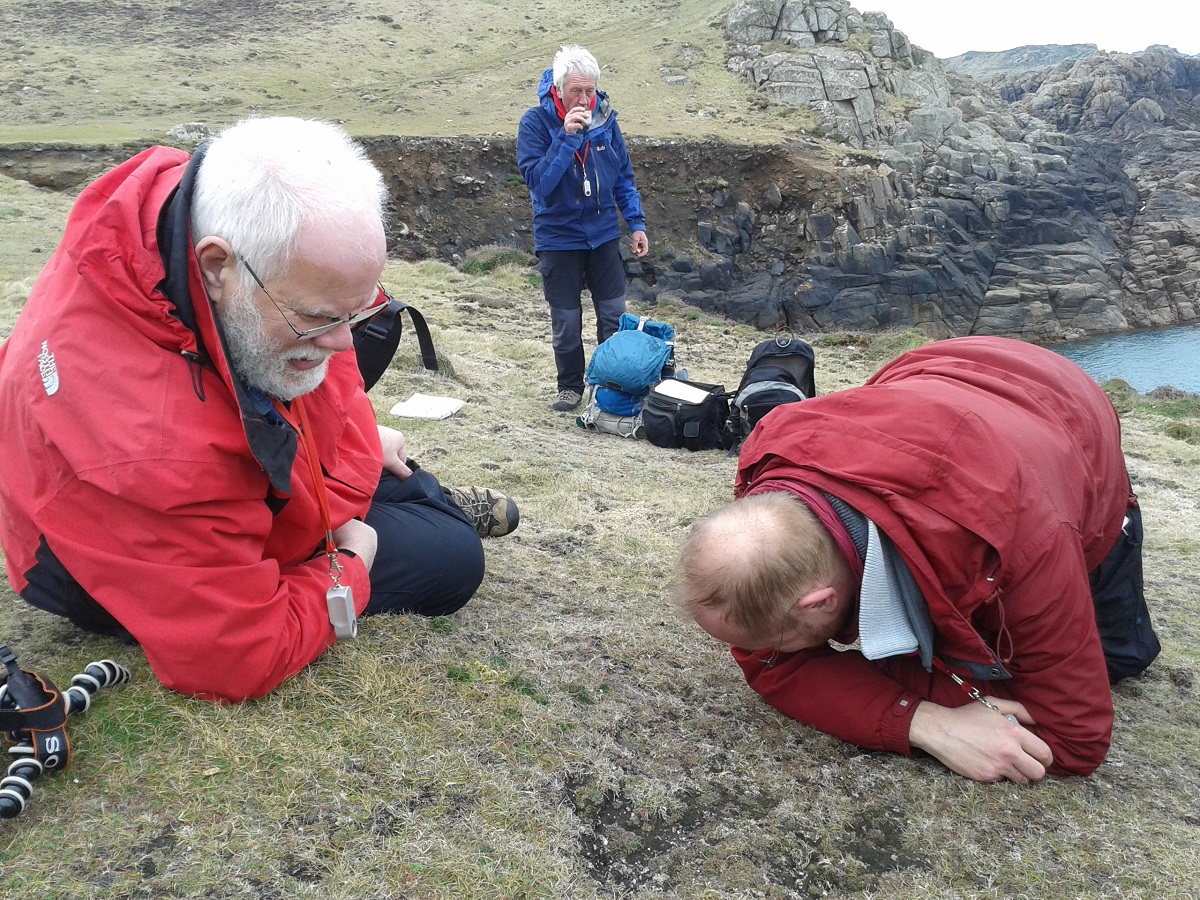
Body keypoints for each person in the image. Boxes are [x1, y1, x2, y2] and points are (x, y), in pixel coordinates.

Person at [0, 117, 519, 703]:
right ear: (218, 266)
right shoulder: (152, 448)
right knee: (450, 558)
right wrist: (351, 560)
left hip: (196, 470)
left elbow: (267, 378)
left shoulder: (180, 212)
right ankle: (422, 508)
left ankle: (406, 494)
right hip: (114, 556)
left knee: (380, 459)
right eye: (322, 318)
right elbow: (237, 656)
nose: (344, 343)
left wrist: (359, 432)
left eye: (352, 313)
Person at [675, 336, 1160, 783]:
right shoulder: (772, 473)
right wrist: (924, 722)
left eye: (781, 636)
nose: (752, 653)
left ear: (819, 602)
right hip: (934, 381)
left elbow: (1073, 738)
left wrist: (910, 684)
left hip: (1067, 412)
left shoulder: (1022, 536)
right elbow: (770, 661)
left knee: (1119, 658)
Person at [517, 44, 649, 412]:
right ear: (558, 89)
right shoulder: (535, 123)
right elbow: (540, 183)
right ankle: (570, 387)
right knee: (566, 319)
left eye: (590, 91)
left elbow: (623, 176)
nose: (585, 99)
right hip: (558, 237)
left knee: (613, 314)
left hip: (604, 232)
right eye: (576, 90)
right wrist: (567, 137)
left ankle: (609, 386)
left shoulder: (606, 118)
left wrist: (635, 224)